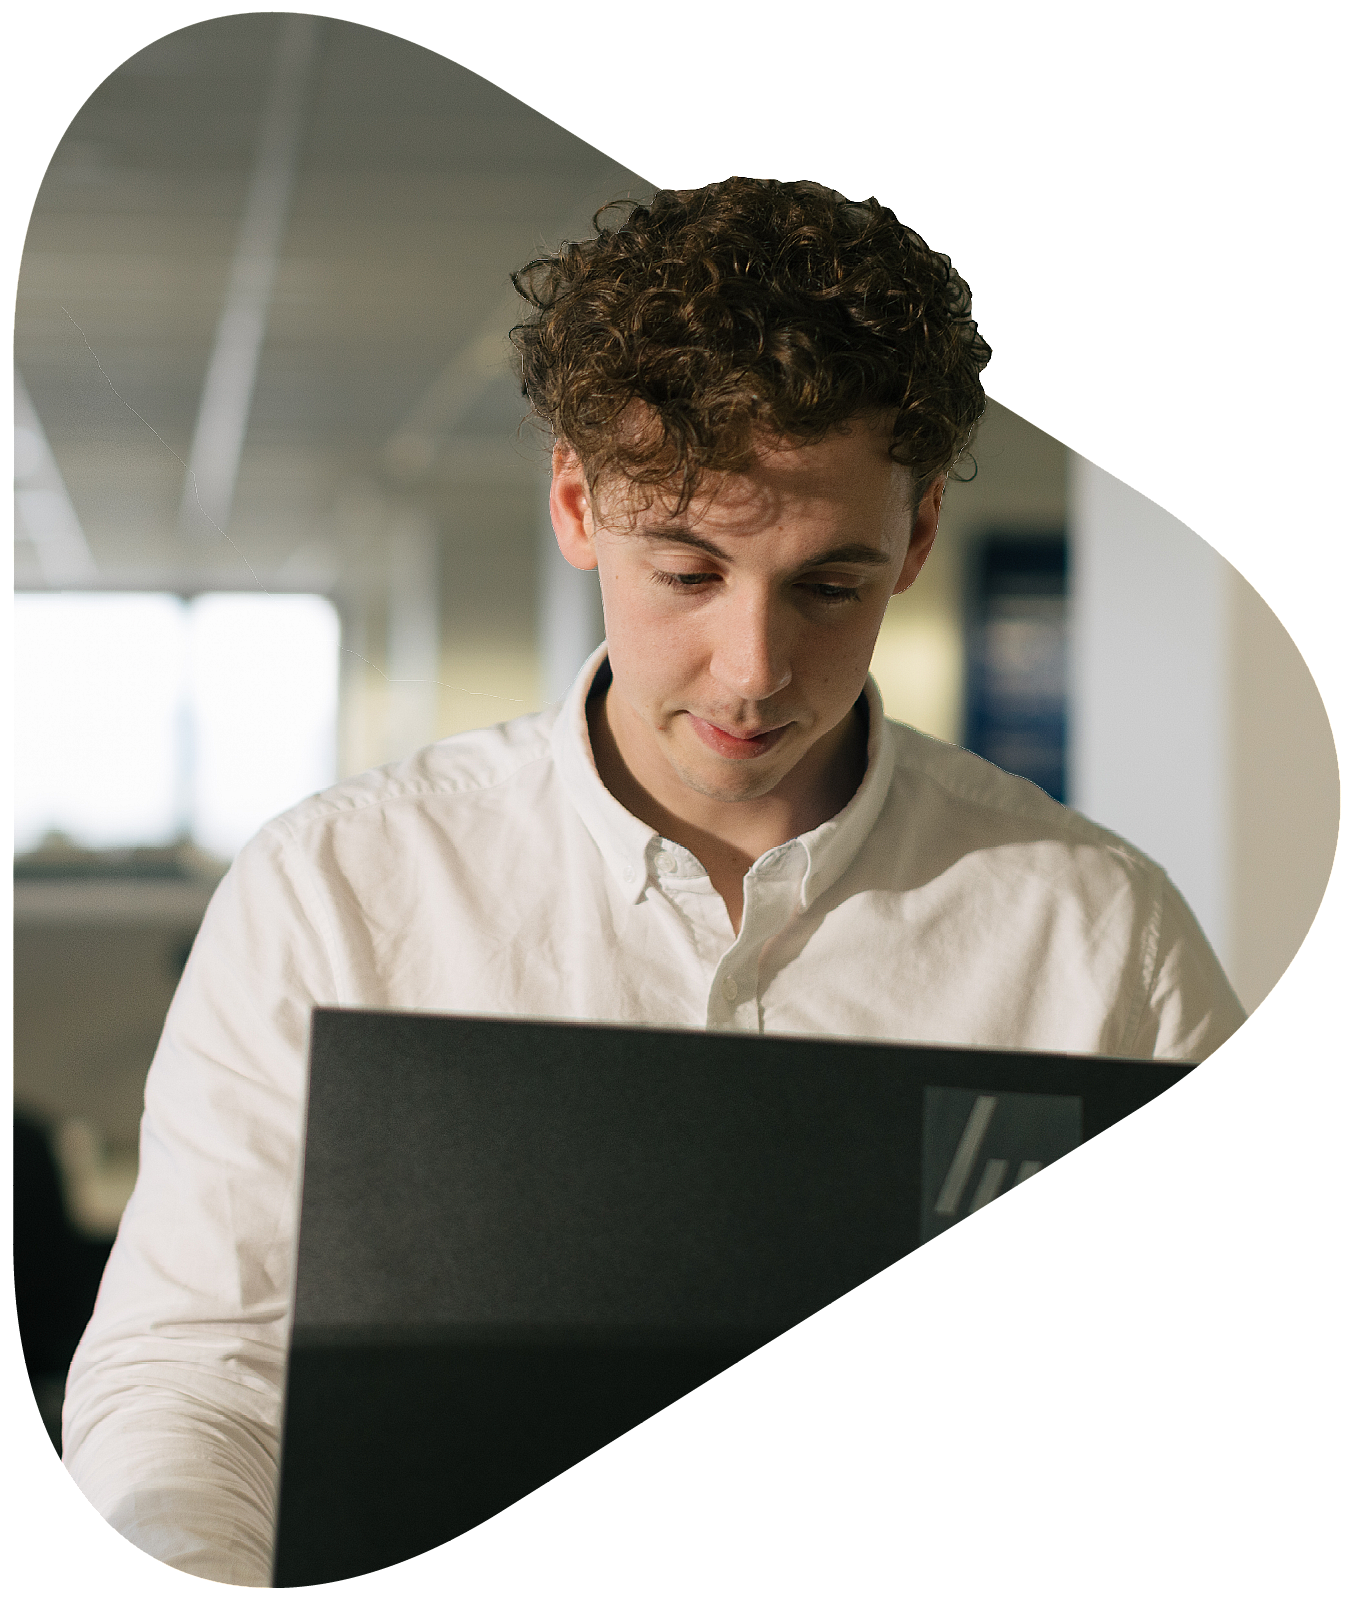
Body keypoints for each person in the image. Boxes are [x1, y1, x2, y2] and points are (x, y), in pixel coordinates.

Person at [60, 178, 1245, 1585]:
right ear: (577, 501)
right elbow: (193, 1373)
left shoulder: (1096, 932)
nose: (754, 672)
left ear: (917, 541)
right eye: (687, 571)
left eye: (828, 586)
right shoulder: (339, 886)